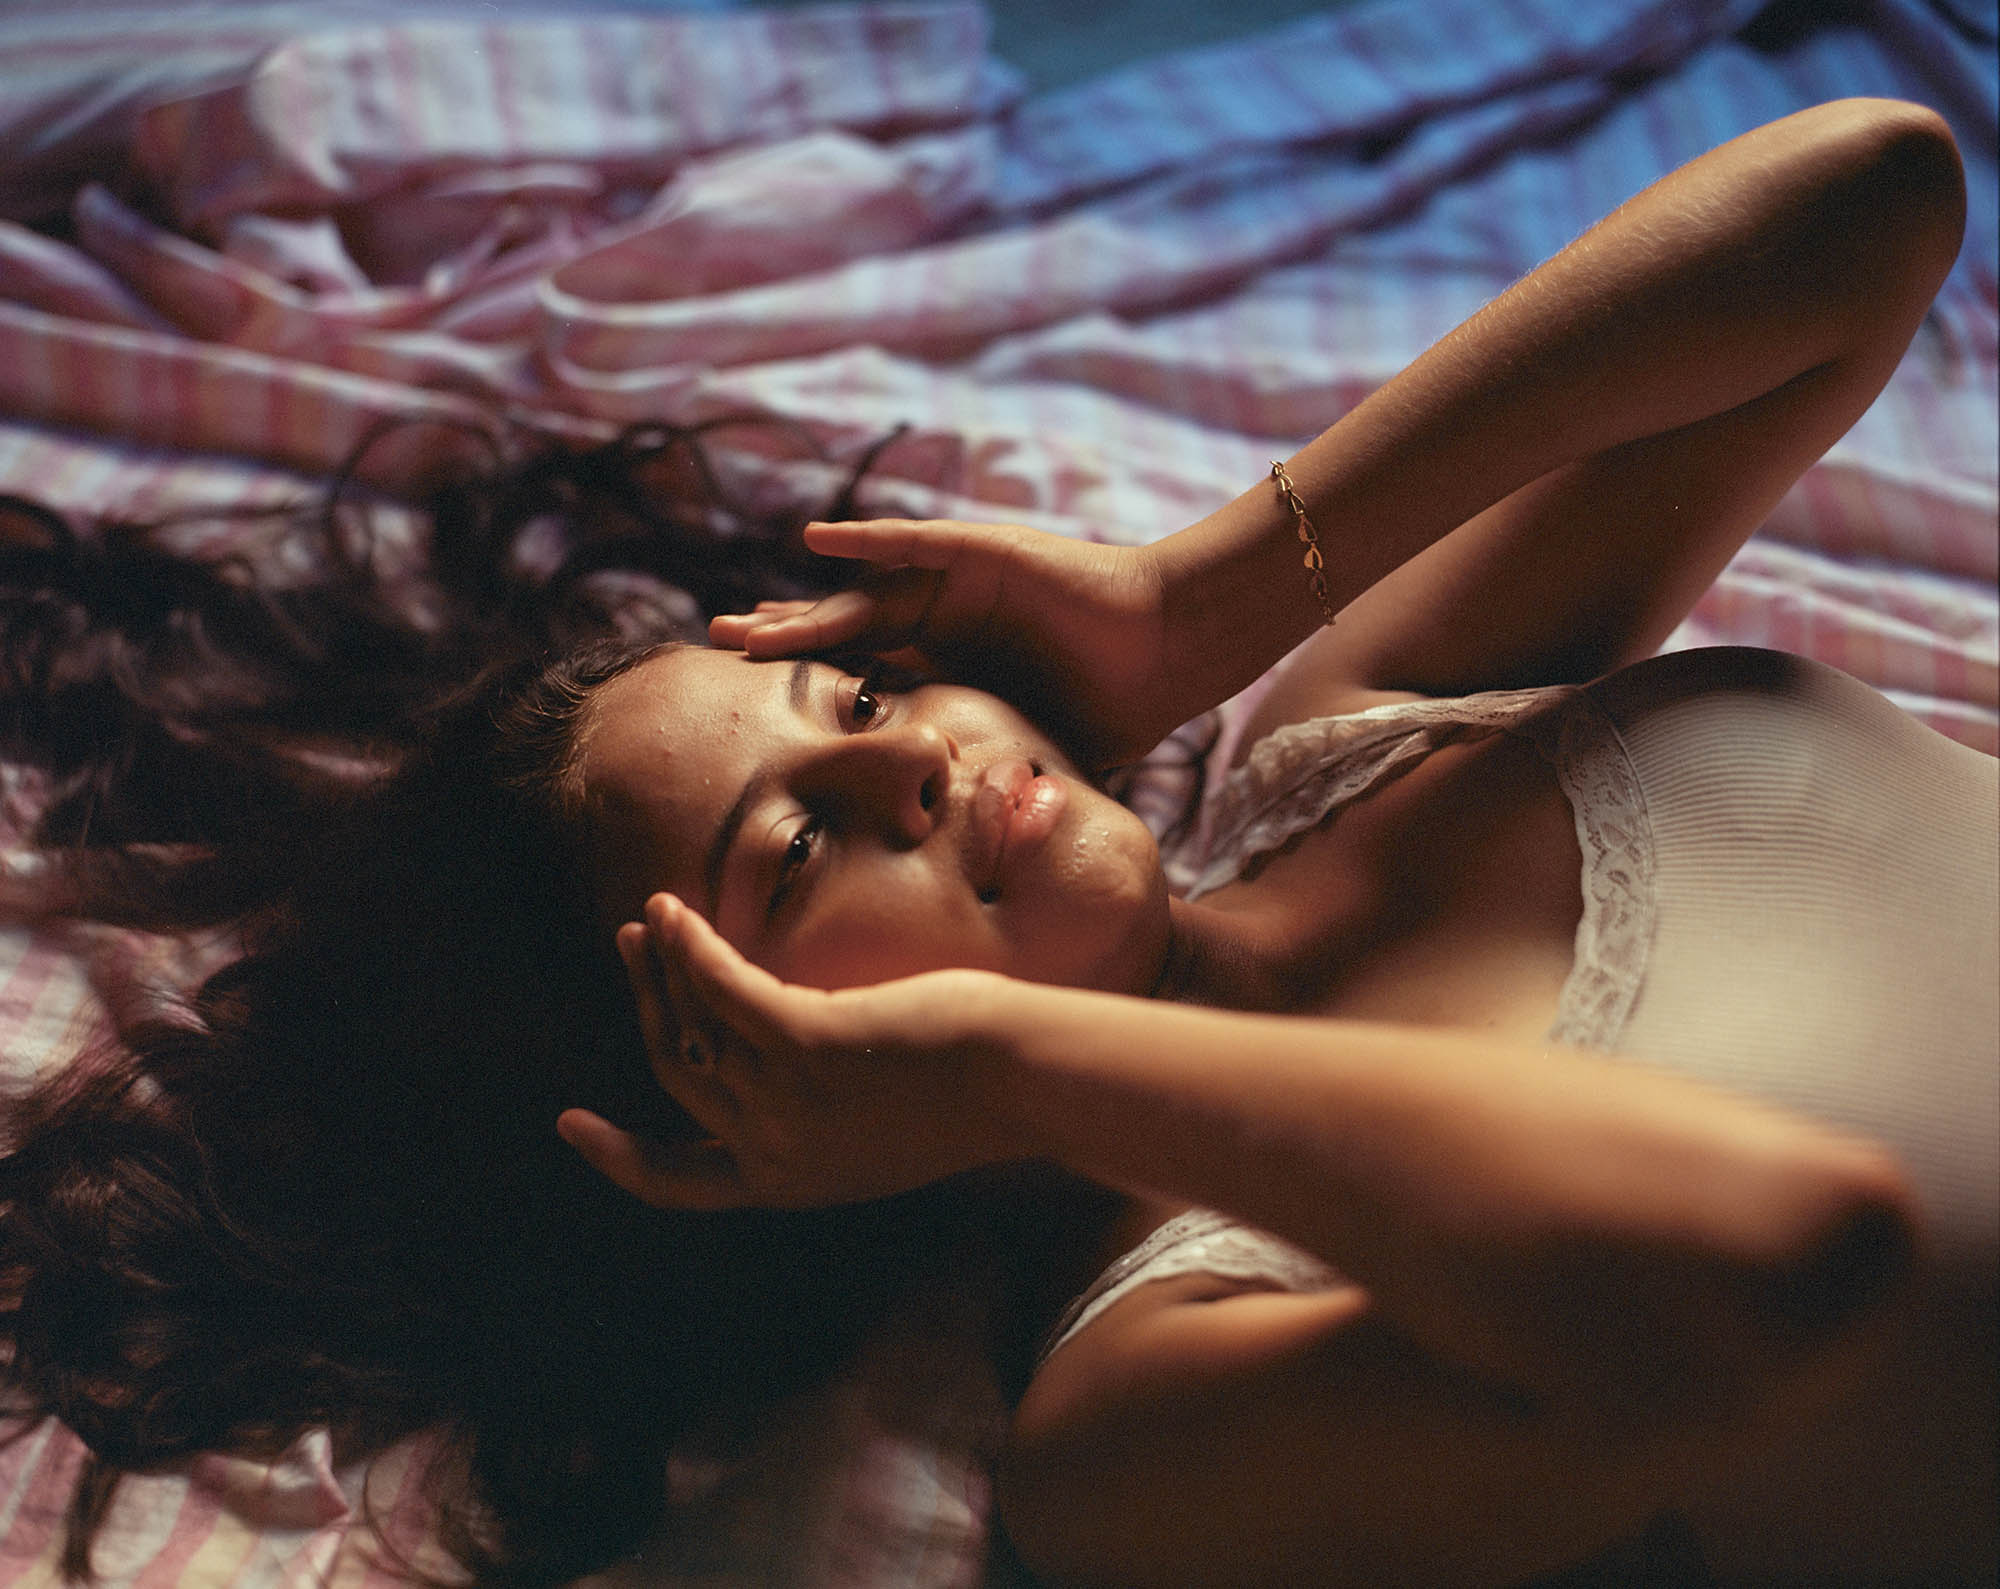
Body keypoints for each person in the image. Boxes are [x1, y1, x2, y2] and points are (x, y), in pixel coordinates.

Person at [0, 96, 1990, 1587]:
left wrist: (1210, 592)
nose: (920, 768)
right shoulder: (1137, 1419)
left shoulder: (1350, 744)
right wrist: (998, 1067)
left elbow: (1873, 197)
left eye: (857, 707)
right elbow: (1783, 1260)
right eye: (799, 851)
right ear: (733, 1107)